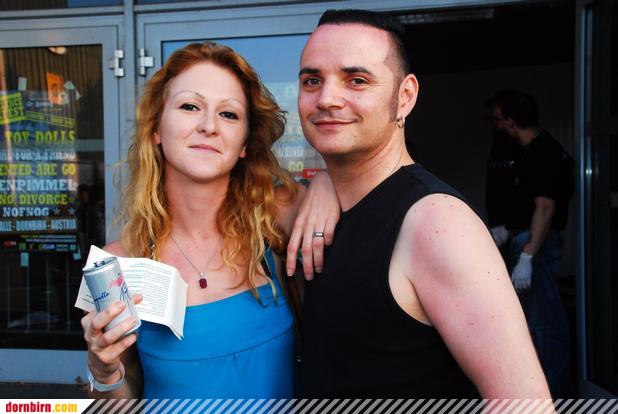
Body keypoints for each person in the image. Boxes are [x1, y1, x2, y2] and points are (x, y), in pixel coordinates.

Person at [295, 9, 551, 398]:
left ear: (405, 97)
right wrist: (322, 181)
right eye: (312, 80)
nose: (327, 98)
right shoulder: (330, 206)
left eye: (357, 80)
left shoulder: (437, 224)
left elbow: (524, 403)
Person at [81, 42, 339, 398]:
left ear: (244, 143)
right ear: (156, 128)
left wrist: (327, 182)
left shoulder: (275, 219)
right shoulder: (118, 264)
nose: (209, 126)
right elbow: (121, 399)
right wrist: (104, 370)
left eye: (228, 114)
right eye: (190, 106)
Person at [487, 88, 574, 397]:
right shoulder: (525, 151)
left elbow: (545, 207)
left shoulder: (543, 151)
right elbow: (527, 204)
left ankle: (552, 397)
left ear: (511, 119)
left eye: (498, 117)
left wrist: (527, 257)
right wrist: (508, 230)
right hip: (525, 241)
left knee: (545, 321)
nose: (496, 124)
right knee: (532, 319)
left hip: (537, 247)